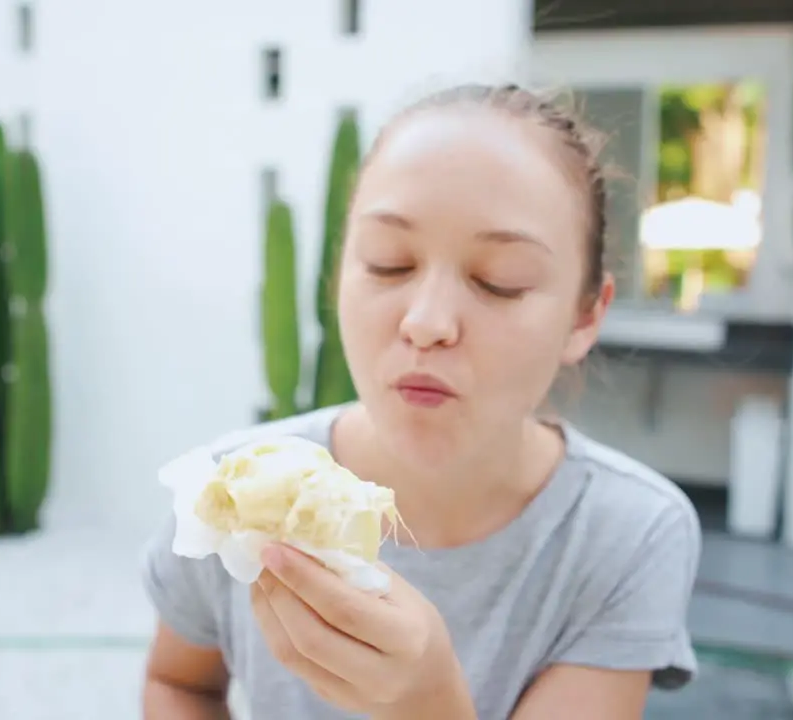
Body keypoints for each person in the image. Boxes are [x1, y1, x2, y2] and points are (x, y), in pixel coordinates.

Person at [140, 83, 703, 719]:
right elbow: (178, 684)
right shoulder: (233, 493)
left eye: (500, 281)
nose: (427, 321)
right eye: (388, 264)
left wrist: (430, 705)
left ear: (584, 316)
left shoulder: (628, 536)